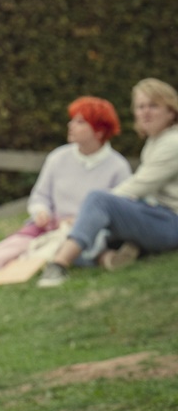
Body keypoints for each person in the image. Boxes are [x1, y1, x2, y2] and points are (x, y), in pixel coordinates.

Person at [0, 96, 132, 297]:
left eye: (80, 122)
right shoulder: (58, 158)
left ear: (99, 130)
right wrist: (41, 211)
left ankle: (99, 259)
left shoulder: (117, 167)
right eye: (72, 120)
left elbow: (119, 210)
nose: (71, 125)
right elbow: (40, 196)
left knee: (60, 248)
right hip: (48, 226)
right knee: (16, 243)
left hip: (84, 234)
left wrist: (79, 221)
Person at [39, 78, 178, 287]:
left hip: (171, 222)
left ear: (171, 111)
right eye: (141, 107)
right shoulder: (155, 142)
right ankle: (108, 257)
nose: (146, 112)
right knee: (85, 232)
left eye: (154, 106)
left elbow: (140, 186)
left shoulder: (173, 142)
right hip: (157, 214)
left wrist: (89, 212)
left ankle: (58, 265)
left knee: (96, 202)